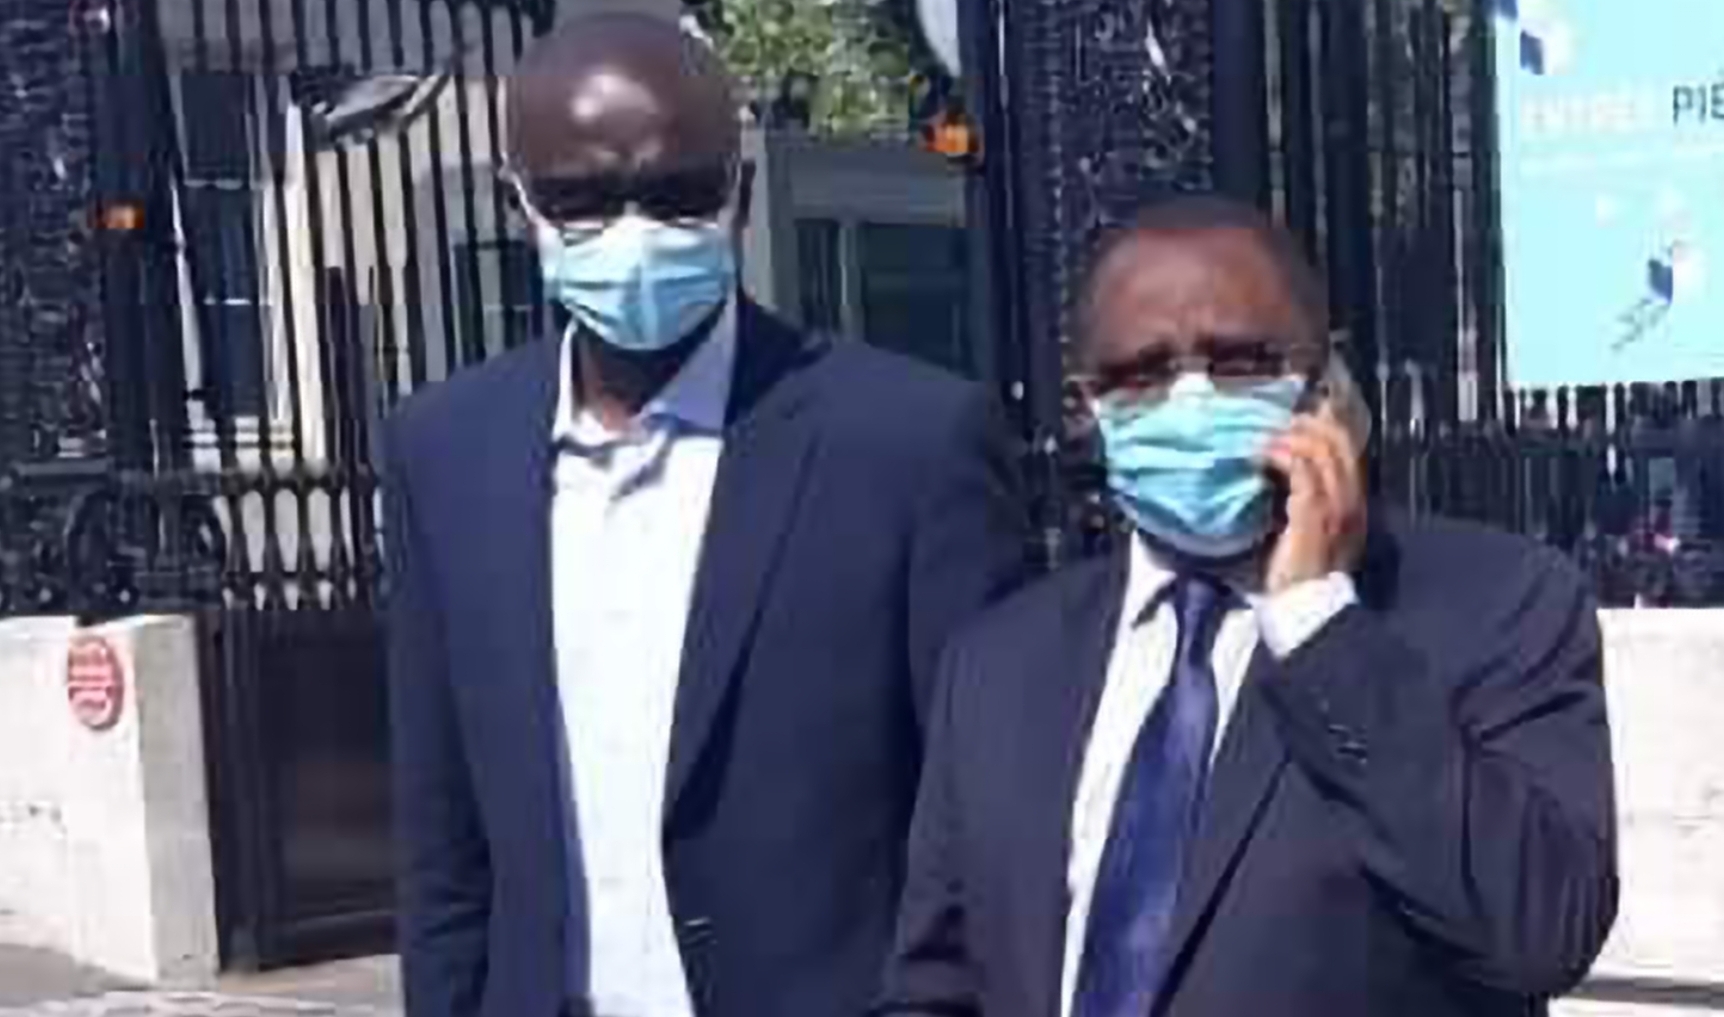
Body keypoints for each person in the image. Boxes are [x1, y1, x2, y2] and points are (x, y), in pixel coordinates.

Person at [382, 16, 1029, 1017]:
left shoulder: (906, 445)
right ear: (522, 207)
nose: (632, 232)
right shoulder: (445, 450)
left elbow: (986, 815)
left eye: (675, 193)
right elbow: (442, 832)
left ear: (741, 194)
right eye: (581, 200)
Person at [876, 196, 1618, 1017]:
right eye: (1143, 372)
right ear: (1085, 406)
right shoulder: (1000, 660)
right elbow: (936, 984)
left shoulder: (1496, 603)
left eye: (1239, 363)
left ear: (1324, 382)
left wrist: (1317, 622)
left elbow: (1543, 926)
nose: (1189, 400)